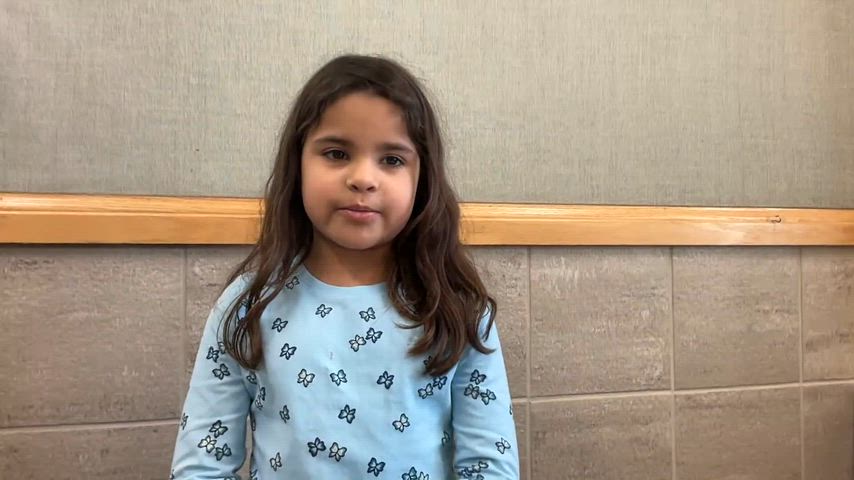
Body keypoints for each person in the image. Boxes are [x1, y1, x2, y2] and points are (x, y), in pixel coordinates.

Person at [171, 54, 519, 479]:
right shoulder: (248, 305)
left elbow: (489, 466)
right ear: (298, 164)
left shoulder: (458, 308)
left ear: (422, 179)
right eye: (337, 153)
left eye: (392, 160)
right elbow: (201, 467)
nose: (363, 178)